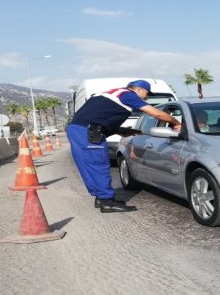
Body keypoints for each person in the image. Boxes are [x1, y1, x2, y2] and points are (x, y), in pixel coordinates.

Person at [67, 80, 182, 213]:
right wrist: (175, 123)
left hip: (79, 129)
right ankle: (107, 202)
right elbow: (156, 113)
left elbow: (98, 117)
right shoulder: (128, 95)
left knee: (90, 165)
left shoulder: (112, 94)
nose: (147, 97)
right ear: (138, 90)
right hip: (87, 131)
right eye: (147, 93)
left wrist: (123, 131)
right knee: (98, 165)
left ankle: (101, 198)